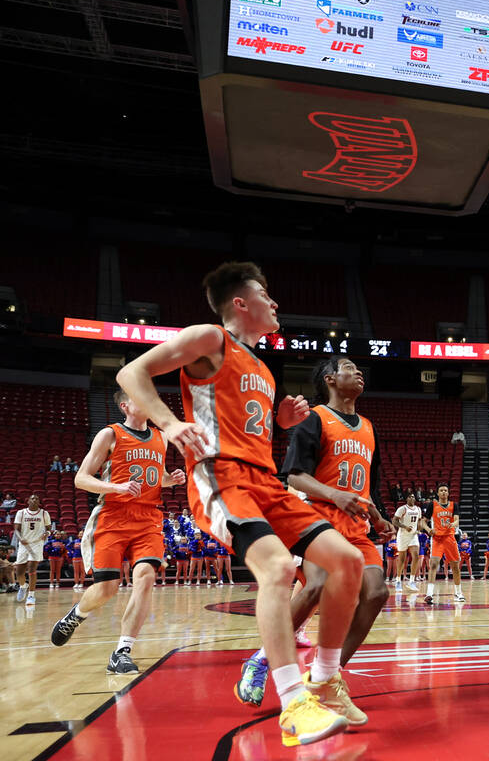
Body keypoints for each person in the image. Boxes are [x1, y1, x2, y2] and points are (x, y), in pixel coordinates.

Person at [110, 261, 369, 746]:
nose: (275, 303)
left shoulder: (262, 367)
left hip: (264, 481)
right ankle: (293, 704)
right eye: (266, 294)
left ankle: (325, 681)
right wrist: (167, 424)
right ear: (240, 303)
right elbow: (132, 372)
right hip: (219, 477)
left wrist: (279, 423)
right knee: (275, 568)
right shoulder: (211, 337)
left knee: (348, 562)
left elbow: (238, 421)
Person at [237, 356, 394, 713]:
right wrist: (335, 494)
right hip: (319, 519)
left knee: (376, 593)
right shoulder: (315, 419)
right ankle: (261, 660)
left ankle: (327, 676)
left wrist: (379, 516)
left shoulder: (369, 427)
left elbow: (371, 485)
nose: (358, 373)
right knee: (318, 585)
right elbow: (293, 476)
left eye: (359, 369)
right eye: (349, 368)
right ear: (330, 379)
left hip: (356, 528)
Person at [51, 389, 187, 672]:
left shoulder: (161, 437)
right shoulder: (109, 435)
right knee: (106, 589)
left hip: (148, 517)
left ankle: (122, 651)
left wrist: (170, 481)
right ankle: (76, 615)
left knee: (146, 577)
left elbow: (153, 477)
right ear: (125, 406)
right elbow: (81, 479)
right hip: (112, 516)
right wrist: (116, 487)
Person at [424, 484, 465, 604]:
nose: (443, 492)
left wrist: (454, 523)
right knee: (433, 564)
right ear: (437, 493)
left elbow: (457, 519)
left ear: (448, 493)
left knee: (455, 567)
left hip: (450, 538)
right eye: (441, 490)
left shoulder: (454, 505)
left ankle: (458, 593)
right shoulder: (433, 505)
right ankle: (429, 594)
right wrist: (428, 529)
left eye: (445, 490)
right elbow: (423, 522)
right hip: (437, 539)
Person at [12, 494, 52, 606]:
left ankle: (31, 596)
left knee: (31, 568)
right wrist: (20, 539)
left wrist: (47, 533)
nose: (34, 500)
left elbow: (49, 528)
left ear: (39, 502)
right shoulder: (21, 512)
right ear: (28, 501)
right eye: (32, 498)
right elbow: (16, 529)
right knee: (19, 571)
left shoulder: (44, 513)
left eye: (37, 499)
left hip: (37, 543)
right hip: (24, 544)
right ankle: (23, 586)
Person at [392, 492, 426, 591]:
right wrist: (404, 527)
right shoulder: (402, 508)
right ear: (406, 499)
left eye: (413, 496)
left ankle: (411, 581)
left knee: (416, 557)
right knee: (402, 559)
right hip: (403, 535)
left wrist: (419, 529)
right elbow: (394, 521)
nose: (412, 498)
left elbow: (419, 521)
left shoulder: (418, 509)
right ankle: (398, 580)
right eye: (410, 496)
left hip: (413, 535)